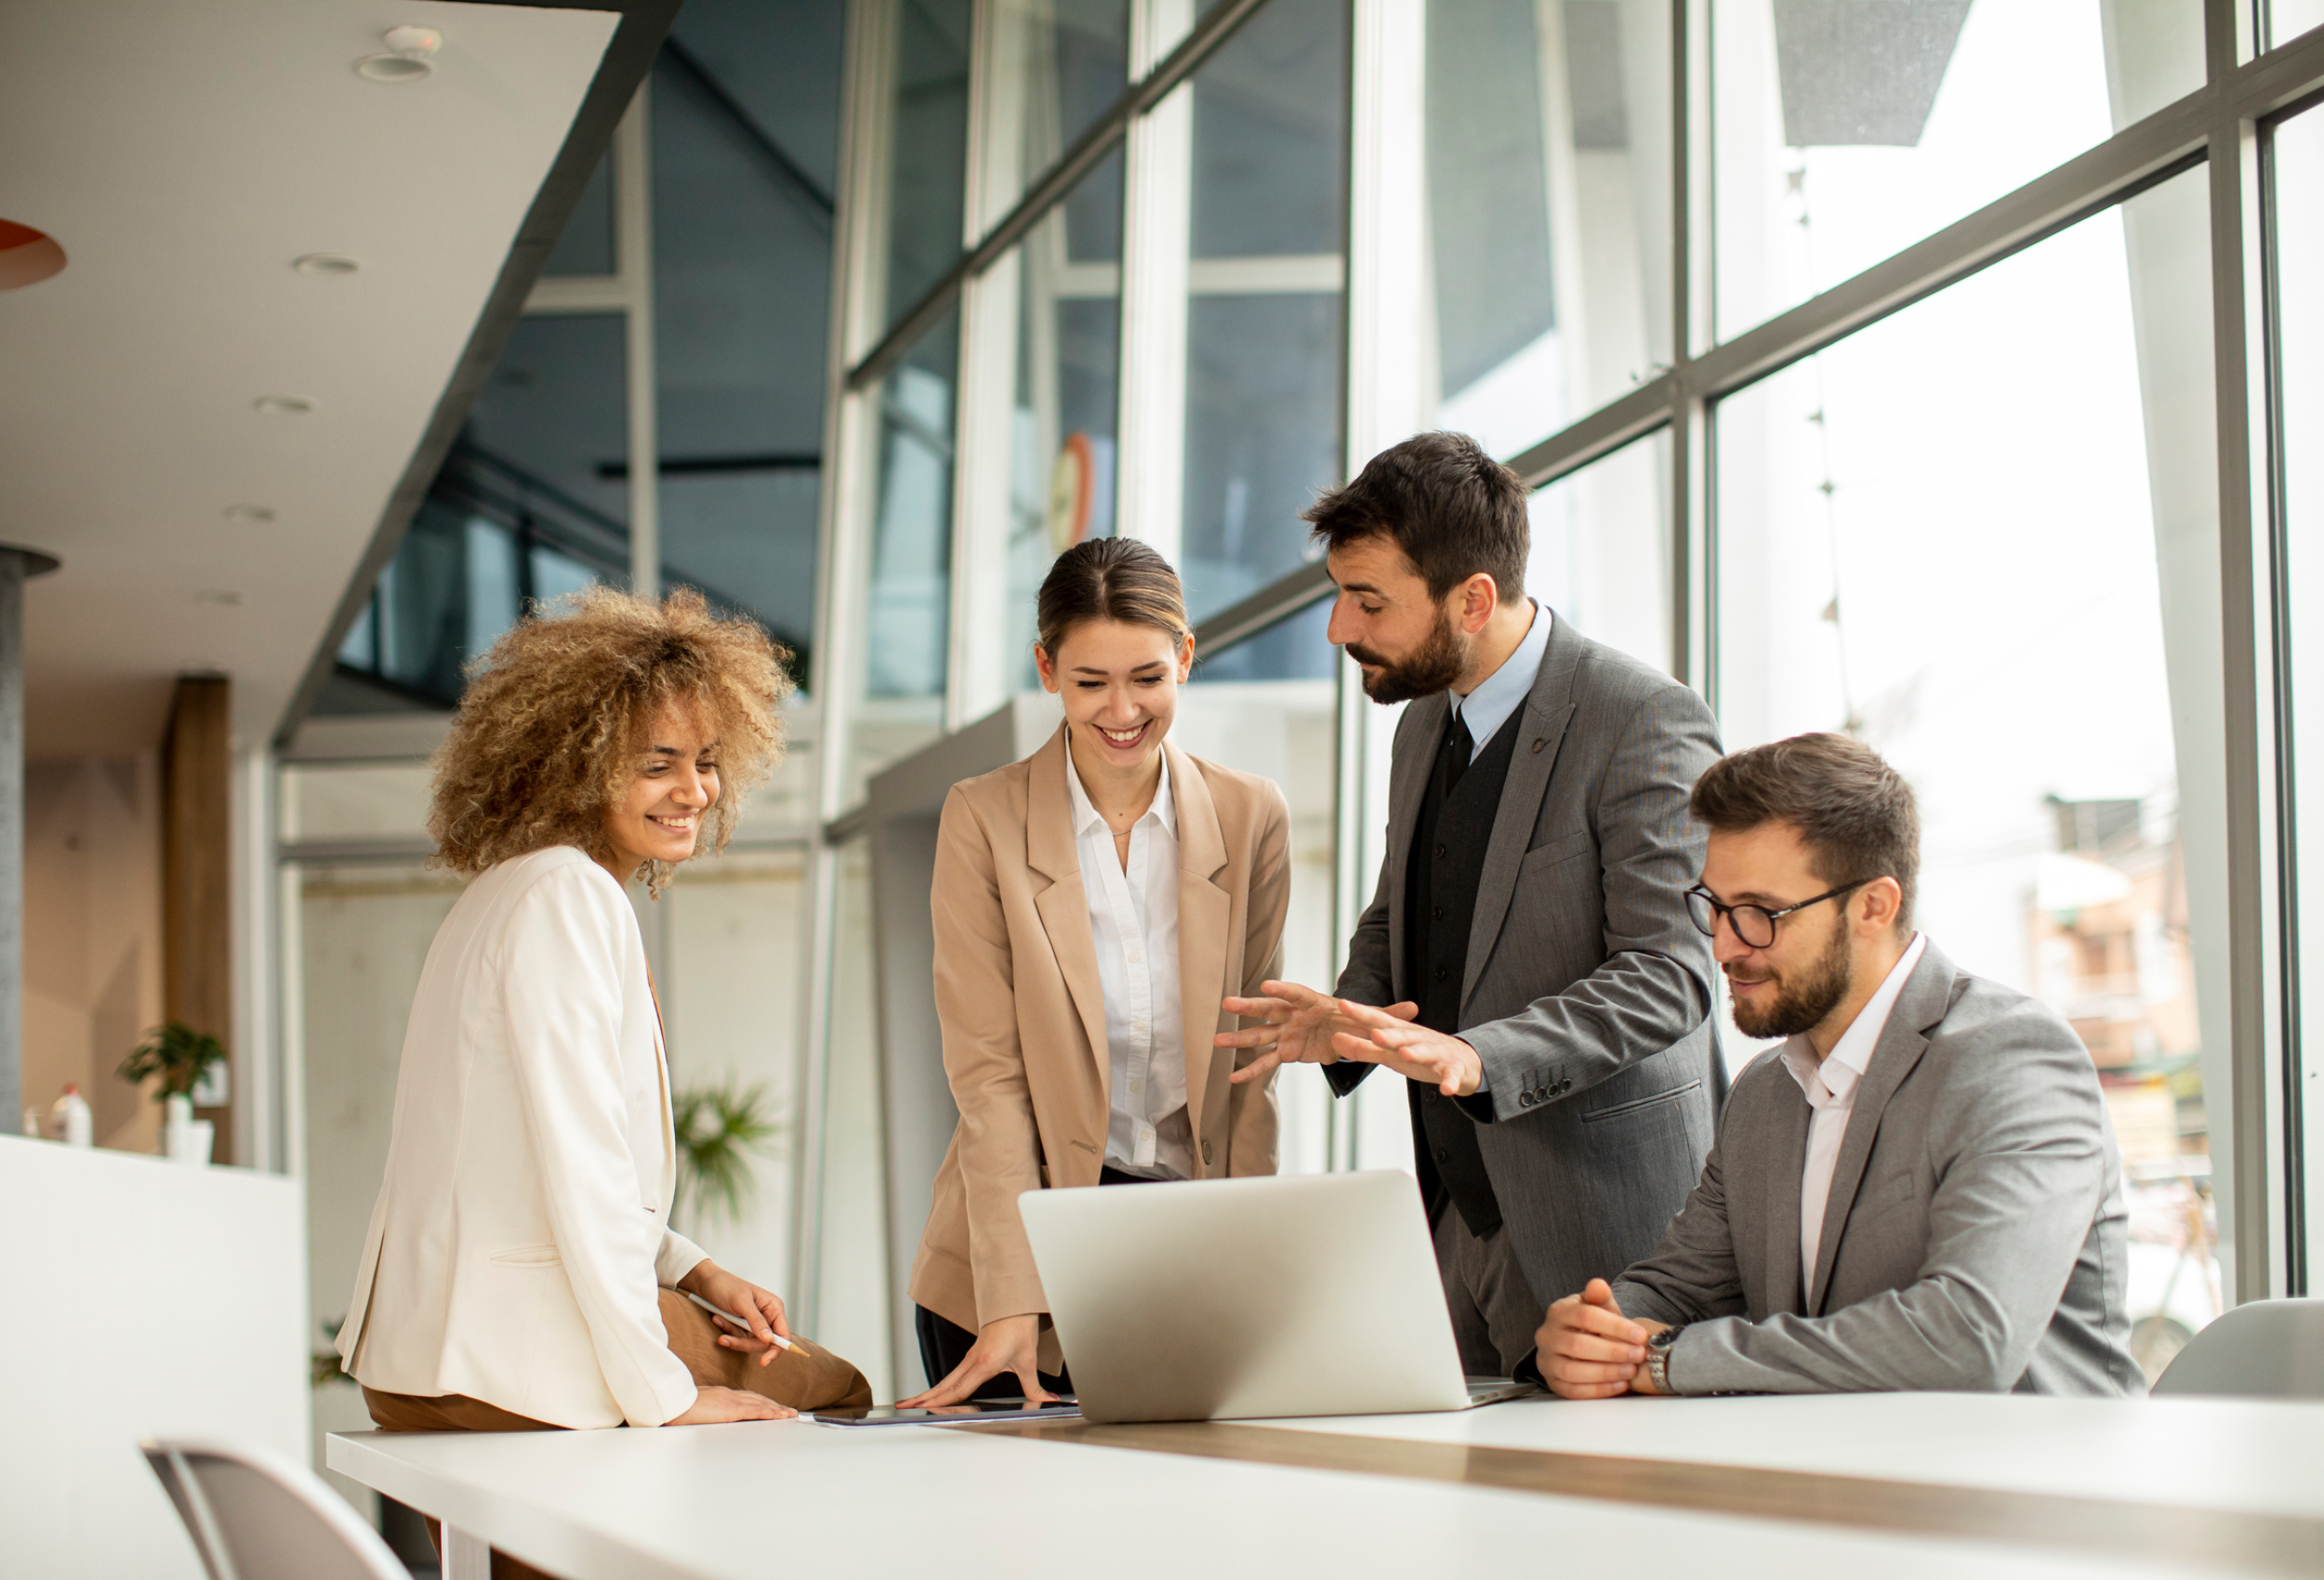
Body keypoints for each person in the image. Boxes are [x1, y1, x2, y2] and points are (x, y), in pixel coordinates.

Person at [337, 589, 870, 1572]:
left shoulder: (506, 891)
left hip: (423, 1358)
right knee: (834, 1386)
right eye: (656, 762)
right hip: (507, 1360)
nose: (694, 790)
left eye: (706, 761)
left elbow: (531, 1154)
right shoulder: (570, 898)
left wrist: (691, 1266)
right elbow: (581, 1166)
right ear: (577, 763)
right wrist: (665, 1394)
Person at [1221, 431, 1723, 1380]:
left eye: (1367, 601)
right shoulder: (1421, 722)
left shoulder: (1640, 718)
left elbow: (1671, 973)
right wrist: (1346, 1012)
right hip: (1456, 1215)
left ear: (1474, 597)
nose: (1338, 629)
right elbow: (1402, 903)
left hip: (1609, 1230)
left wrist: (1478, 1054)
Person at [1536, 733, 2141, 1399]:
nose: (1725, 946)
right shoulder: (1765, 1092)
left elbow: (1968, 1339)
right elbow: (1678, 1285)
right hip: (1834, 1480)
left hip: (2030, 1485)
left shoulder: (2015, 1060)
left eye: (1761, 913)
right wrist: (1595, 1331)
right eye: (1714, 907)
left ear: (1873, 907)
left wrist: (1666, 1360)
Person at [903, 538, 1291, 1406]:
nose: (1123, 710)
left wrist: (1253, 1271)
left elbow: (1250, 1066)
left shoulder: (1250, 814)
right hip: (1016, 1257)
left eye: (1148, 678)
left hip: (1182, 1250)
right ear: (1046, 669)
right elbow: (989, 1079)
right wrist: (1013, 1299)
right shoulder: (983, 820)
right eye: (1090, 683)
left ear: (1186, 657)